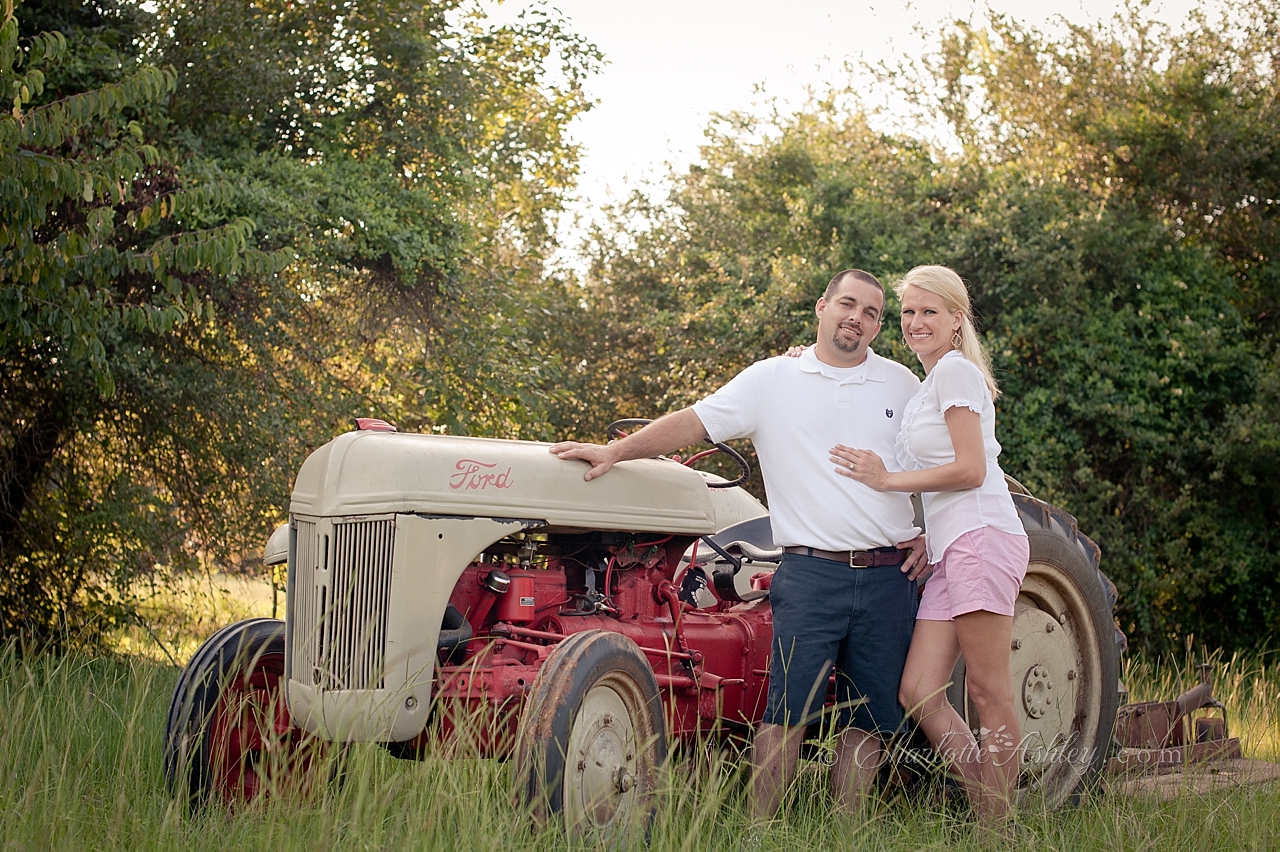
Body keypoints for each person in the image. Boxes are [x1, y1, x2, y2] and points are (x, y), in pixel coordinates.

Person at [550, 269, 928, 819]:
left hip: (889, 574)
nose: (858, 318)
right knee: (785, 713)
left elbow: (941, 463)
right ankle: (759, 831)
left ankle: (850, 832)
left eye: (871, 312)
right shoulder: (771, 380)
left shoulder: (902, 385)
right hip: (810, 573)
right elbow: (695, 422)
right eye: (847, 304)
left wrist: (932, 536)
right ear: (821, 306)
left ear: (877, 325)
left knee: (867, 720)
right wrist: (616, 451)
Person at [830, 264, 1028, 829]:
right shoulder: (928, 386)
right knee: (919, 691)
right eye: (908, 312)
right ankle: (992, 807)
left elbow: (969, 470)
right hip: (949, 548)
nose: (915, 322)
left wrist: (884, 480)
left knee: (989, 694)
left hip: (982, 537)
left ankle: (998, 830)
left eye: (928, 312)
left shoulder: (957, 374)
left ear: (956, 319)